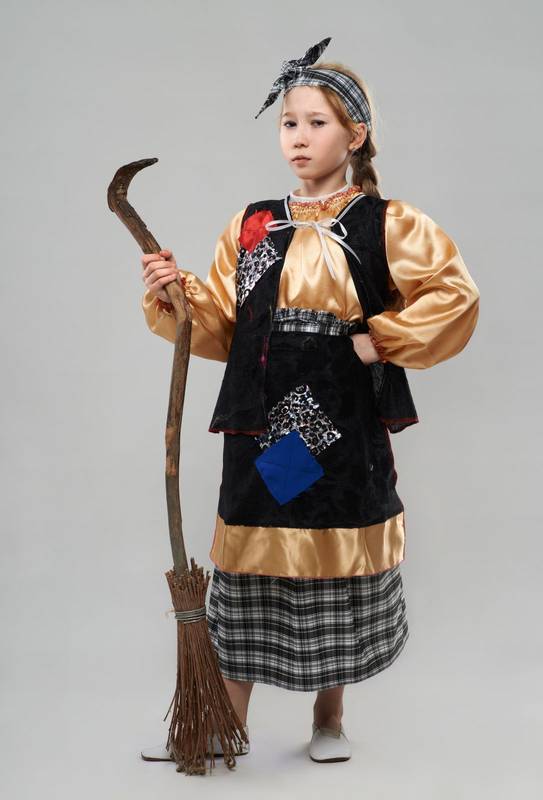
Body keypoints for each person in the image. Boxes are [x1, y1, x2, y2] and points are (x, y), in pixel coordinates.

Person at [139, 36, 480, 764]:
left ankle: (329, 717)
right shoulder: (254, 224)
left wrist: (379, 338)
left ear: (354, 134)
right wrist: (176, 293)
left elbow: (453, 295)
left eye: (316, 122)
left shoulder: (386, 222)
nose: (298, 136)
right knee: (253, 555)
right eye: (288, 122)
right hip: (262, 415)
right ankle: (222, 721)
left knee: (332, 551)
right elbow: (222, 324)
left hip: (337, 417)